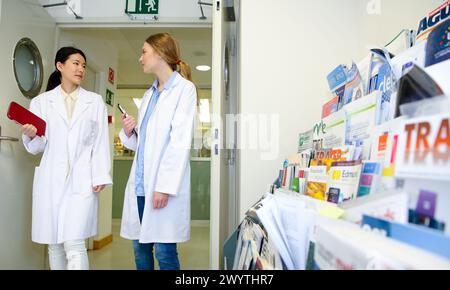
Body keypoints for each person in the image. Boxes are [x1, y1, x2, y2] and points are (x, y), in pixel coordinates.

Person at [21, 47, 112, 270]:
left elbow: (100, 142)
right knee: (54, 243)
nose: (81, 69)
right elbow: (37, 147)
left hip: (82, 180)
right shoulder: (41, 102)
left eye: (83, 65)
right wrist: (32, 135)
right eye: (75, 63)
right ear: (60, 66)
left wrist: (100, 174)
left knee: (75, 243)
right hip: (51, 178)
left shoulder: (95, 101)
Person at [119, 33, 197, 270]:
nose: (140, 58)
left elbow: (179, 142)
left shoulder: (184, 90)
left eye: (144, 51)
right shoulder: (148, 95)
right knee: (140, 250)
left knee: (164, 253)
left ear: (161, 53)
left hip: (162, 187)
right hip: (141, 185)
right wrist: (130, 132)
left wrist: (163, 186)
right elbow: (144, 144)